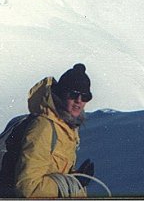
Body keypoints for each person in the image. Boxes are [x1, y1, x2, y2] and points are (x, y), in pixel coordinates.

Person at [14, 63, 95, 198]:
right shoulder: (43, 128)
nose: (79, 101)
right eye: (73, 94)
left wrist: (76, 179)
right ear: (61, 93)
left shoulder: (66, 127)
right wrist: (73, 184)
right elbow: (28, 187)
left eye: (85, 97)